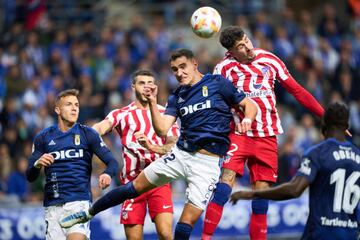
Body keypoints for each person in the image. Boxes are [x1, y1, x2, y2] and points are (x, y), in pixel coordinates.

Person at [59, 48, 258, 240]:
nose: (179, 73)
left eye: (183, 67)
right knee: (134, 187)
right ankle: (89, 212)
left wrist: (248, 118)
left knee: (184, 223)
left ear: (194, 64)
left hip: (207, 164)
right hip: (181, 154)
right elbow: (162, 129)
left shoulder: (217, 83)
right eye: (175, 70)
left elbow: (250, 105)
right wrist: (153, 102)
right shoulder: (177, 96)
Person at [202, 26, 324, 240]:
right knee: (224, 187)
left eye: (247, 40)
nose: (248, 47)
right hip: (238, 132)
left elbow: (297, 90)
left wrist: (324, 115)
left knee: (261, 198)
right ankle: (205, 238)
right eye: (241, 46)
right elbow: (215, 104)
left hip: (267, 135)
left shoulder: (270, 59)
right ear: (231, 51)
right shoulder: (223, 69)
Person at [230, 102, 360, 240]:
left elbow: (295, 189)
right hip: (350, 235)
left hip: (320, 234)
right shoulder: (358, 156)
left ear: (323, 125)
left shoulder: (318, 153)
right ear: (346, 127)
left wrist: (254, 194)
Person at [92, 69, 179, 240]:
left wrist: (151, 146)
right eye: (142, 83)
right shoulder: (121, 114)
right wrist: (88, 134)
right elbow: (101, 127)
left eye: (150, 83)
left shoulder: (166, 114)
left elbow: (172, 144)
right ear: (133, 87)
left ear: (155, 87)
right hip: (130, 184)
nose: (147, 86)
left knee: (166, 233)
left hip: (158, 179)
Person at [26, 89, 119, 240]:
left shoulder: (88, 134)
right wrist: (37, 164)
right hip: (53, 205)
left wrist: (107, 173)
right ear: (57, 109)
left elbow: (112, 162)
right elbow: (30, 176)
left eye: (76, 104)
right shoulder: (42, 137)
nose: (74, 108)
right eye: (69, 104)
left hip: (79, 202)